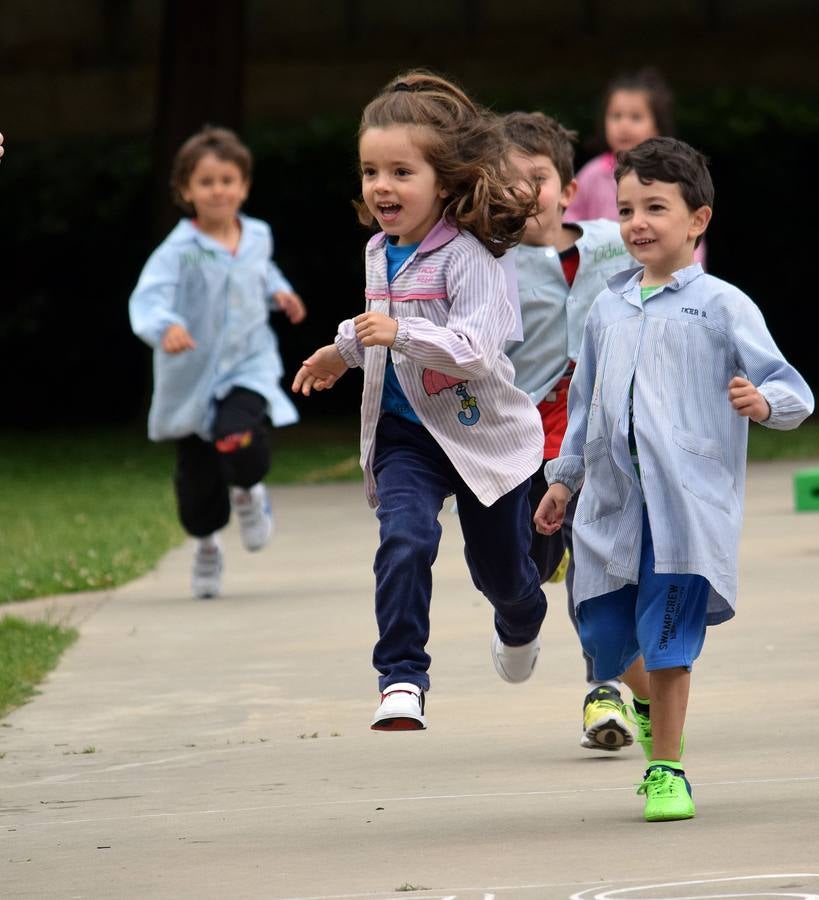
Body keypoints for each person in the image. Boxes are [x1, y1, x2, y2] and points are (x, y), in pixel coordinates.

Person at [535, 137, 813, 822]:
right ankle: (646, 705)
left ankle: (667, 768)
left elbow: (790, 388)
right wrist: (564, 480)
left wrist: (763, 402)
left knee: (667, 638)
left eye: (656, 207)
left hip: (687, 509)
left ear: (699, 220)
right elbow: (585, 404)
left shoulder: (723, 306)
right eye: (628, 208)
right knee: (600, 634)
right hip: (609, 504)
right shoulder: (606, 308)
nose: (637, 222)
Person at [292, 71, 548, 732]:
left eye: (401, 171)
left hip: (483, 438)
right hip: (408, 439)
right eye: (371, 170)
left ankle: (522, 620)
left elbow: (476, 349)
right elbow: (377, 322)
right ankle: (401, 677)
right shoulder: (380, 250)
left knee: (502, 578)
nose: (382, 186)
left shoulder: (472, 260)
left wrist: (399, 333)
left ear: (446, 179)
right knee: (404, 539)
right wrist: (339, 351)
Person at [501, 110, 654, 755]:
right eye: (501, 182)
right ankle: (516, 618)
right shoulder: (487, 264)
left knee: (595, 560)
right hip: (515, 438)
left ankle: (605, 686)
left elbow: (671, 253)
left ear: (567, 189)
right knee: (522, 565)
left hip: (597, 438)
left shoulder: (612, 244)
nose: (519, 194)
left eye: (534, 179)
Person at [129, 126, 306, 599]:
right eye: (206, 182)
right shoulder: (178, 251)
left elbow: (261, 271)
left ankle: (249, 490)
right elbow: (148, 298)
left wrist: (279, 293)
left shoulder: (257, 236)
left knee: (239, 437)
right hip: (193, 376)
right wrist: (165, 325)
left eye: (228, 179)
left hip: (248, 364)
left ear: (244, 186)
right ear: (186, 190)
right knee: (197, 482)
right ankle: (207, 543)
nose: (218, 190)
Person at [564, 69, 705, 267]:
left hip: (661, 278)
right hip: (601, 279)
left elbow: (689, 229)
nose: (624, 125)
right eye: (616, 116)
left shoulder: (671, 175)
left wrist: (689, 274)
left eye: (636, 117)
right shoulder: (592, 174)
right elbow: (569, 221)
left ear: (657, 126)